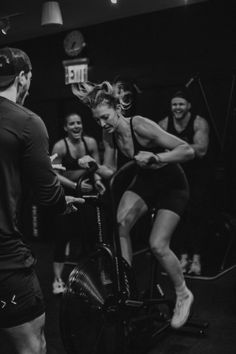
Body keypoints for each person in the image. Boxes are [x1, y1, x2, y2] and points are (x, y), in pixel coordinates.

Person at [72, 80, 196, 329]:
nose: (103, 124)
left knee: (158, 245)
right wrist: (94, 167)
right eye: (97, 120)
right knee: (120, 224)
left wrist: (156, 156)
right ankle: (127, 288)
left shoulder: (138, 124)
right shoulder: (108, 134)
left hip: (172, 184)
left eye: (105, 117)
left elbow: (187, 151)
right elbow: (112, 172)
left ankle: (183, 293)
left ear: (117, 109)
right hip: (146, 183)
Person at [0, 47, 83, 354]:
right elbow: (48, 195)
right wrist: (65, 202)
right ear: (22, 78)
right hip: (4, 257)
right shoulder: (27, 122)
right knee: (33, 346)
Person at [51, 112, 105, 294]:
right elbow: (55, 174)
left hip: (87, 195)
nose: (76, 126)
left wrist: (97, 181)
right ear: (66, 127)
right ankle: (58, 280)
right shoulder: (60, 146)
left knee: (90, 236)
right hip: (67, 194)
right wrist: (76, 186)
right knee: (62, 236)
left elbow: (95, 168)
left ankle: (90, 278)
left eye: (79, 123)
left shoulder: (90, 143)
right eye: (72, 124)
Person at [159, 90, 210, 275]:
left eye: (181, 104)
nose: (177, 108)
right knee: (177, 217)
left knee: (195, 216)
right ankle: (182, 257)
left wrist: (175, 149)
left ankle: (196, 258)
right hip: (175, 177)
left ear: (188, 105)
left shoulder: (199, 122)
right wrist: (184, 149)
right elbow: (160, 149)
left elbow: (202, 150)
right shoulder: (164, 124)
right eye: (174, 104)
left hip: (196, 177)